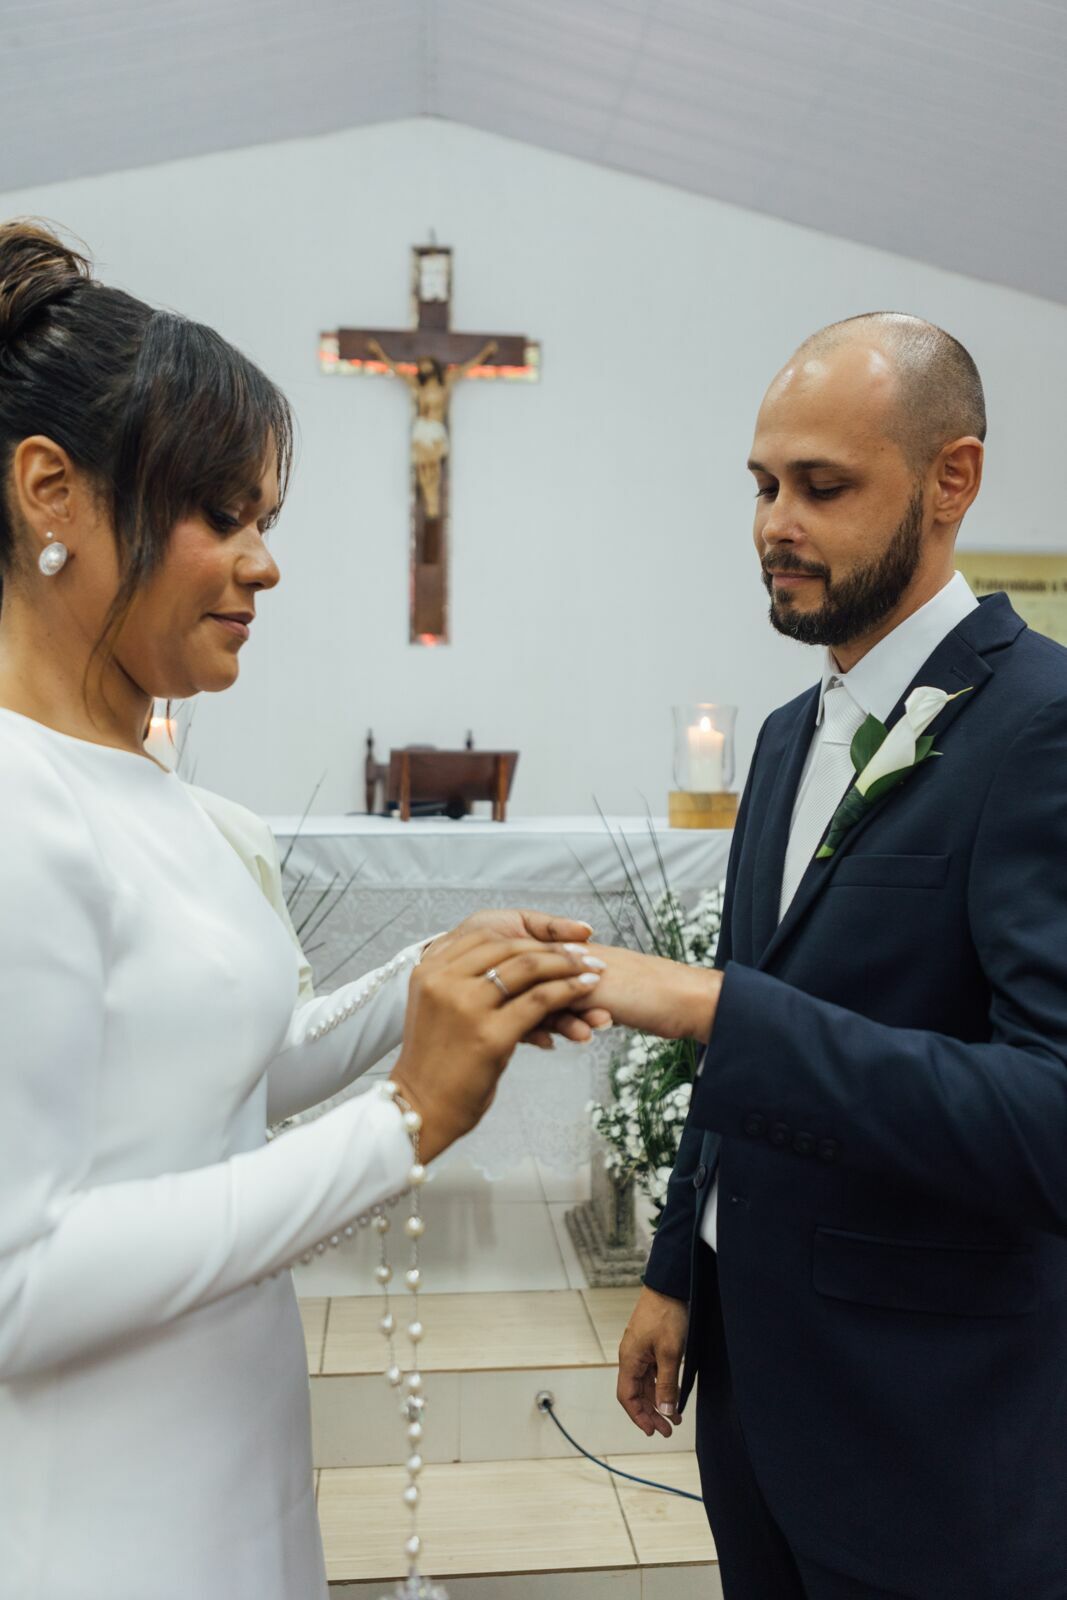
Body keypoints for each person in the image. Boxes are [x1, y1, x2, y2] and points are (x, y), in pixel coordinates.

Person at [0, 220, 607, 1600]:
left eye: (263, 520)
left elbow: (231, 1063)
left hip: (227, 1439)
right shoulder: (15, 803)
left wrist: (437, 975)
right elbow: (17, 1283)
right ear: (52, 493)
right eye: (220, 515)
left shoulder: (151, 783)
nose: (261, 565)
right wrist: (399, 1125)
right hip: (101, 1507)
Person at [578, 314, 1067, 1598]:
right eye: (761, 484)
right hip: (756, 1394)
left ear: (949, 481)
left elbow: (1047, 1118)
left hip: (931, 1422)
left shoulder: (1042, 728)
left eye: (821, 487)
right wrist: (679, 1270)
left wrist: (709, 1005)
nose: (771, 523)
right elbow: (760, 1022)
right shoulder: (792, 734)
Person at [366, 337, 498, 517]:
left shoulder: (446, 383)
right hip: (422, 430)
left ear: (434, 367)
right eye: (421, 366)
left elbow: (468, 367)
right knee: (422, 471)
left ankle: (433, 506)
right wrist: (377, 352)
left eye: (426, 365)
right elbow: (395, 370)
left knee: (433, 470)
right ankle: (429, 506)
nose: (423, 368)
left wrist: (487, 352)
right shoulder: (418, 387)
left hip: (435, 430)